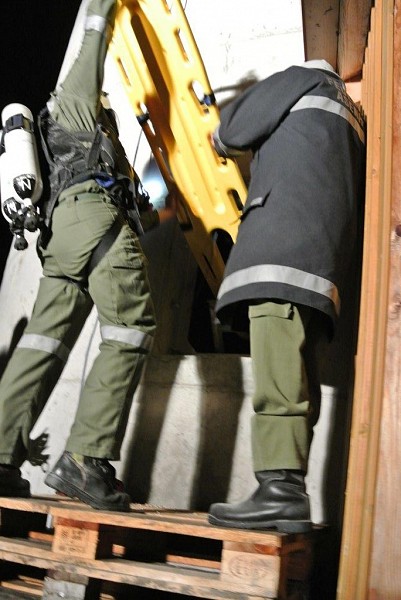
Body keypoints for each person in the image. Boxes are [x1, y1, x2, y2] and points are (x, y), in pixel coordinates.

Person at [0, 0, 175, 511]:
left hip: (64, 240)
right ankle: (85, 460)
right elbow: (93, 37)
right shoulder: (74, 101)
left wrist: (148, 207)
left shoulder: (88, 143)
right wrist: (106, 5)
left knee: (42, 343)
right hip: (94, 222)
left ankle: (2, 456)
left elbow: (143, 208)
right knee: (130, 327)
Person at [208, 60, 366, 533]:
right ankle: (287, 488)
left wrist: (219, 137)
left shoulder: (302, 78)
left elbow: (231, 130)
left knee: (278, 380)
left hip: (281, 253)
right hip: (320, 269)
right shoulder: (351, 118)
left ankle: (279, 492)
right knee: (297, 380)